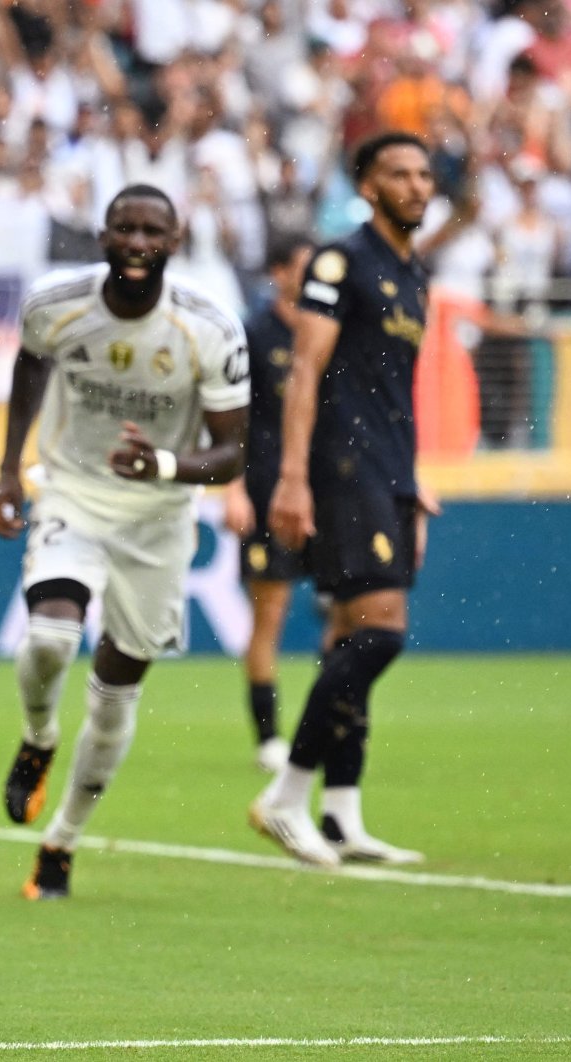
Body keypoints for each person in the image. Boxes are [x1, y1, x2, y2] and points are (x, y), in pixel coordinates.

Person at [0, 184, 250, 901]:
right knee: (48, 639)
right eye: (124, 229)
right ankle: (38, 736)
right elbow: (30, 368)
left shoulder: (209, 330)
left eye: (151, 231)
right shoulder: (55, 306)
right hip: (74, 491)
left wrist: (161, 464)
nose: (137, 242)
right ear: (102, 236)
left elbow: (232, 456)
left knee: (114, 699)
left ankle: (61, 843)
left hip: (159, 520)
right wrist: (9, 472)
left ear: (175, 240)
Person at [248, 132, 440, 869]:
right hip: (342, 468)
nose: (417, 186)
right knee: (381, 634)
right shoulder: (341, 260)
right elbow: (306, 368)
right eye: (399, 173)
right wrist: (294, 476)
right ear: (367, 186)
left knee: (348, 638)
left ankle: (341, 815)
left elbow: (395, 389)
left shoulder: (411, 273)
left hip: (390, 472)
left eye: (424, 174)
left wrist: (413, 481)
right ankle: (286, 797)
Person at [222, 235, 316, 773]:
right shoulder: (254, 333)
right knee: (269, 619)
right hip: (264, 491)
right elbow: (232, 416)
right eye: (303, 268)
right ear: (279, 272)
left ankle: (330, 726)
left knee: (348, 613)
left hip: (325, 490)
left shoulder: (328, 330)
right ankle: (268, 740)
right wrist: (233, 488)